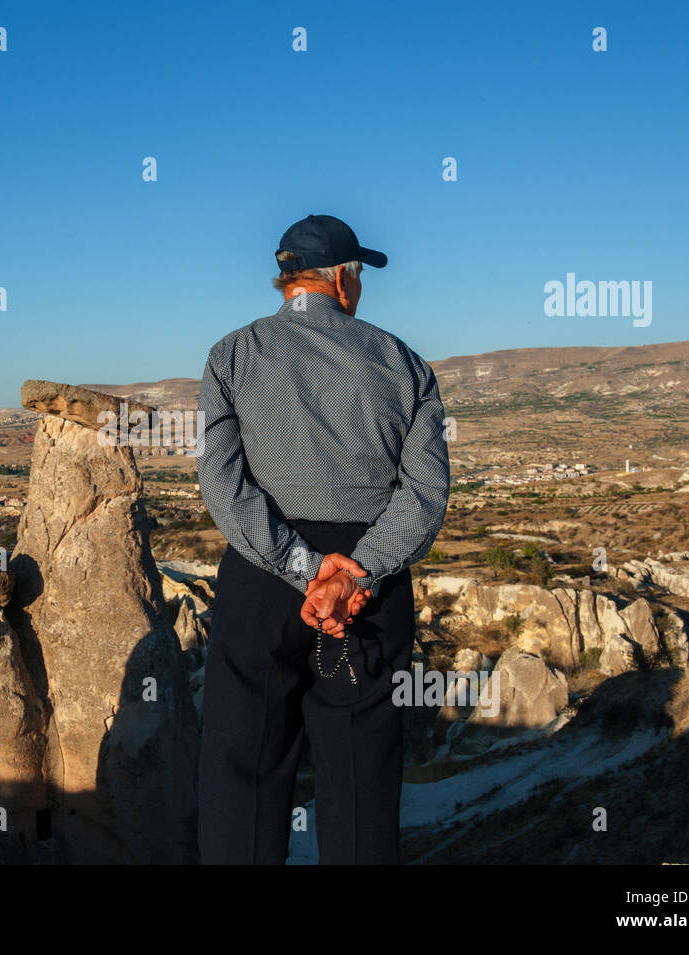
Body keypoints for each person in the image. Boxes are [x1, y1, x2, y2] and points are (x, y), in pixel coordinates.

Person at [195, 213, 451, 864]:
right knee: (362, 774)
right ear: (341, 278)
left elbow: (222, 482)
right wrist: (354, 573)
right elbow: (423, 494)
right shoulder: (406, 365)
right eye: (359, 274)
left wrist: (303, 564)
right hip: (367, 596)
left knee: (243, 771)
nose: (359, 286)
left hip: (263, 587)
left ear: (287, 281)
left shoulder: (232, 355)